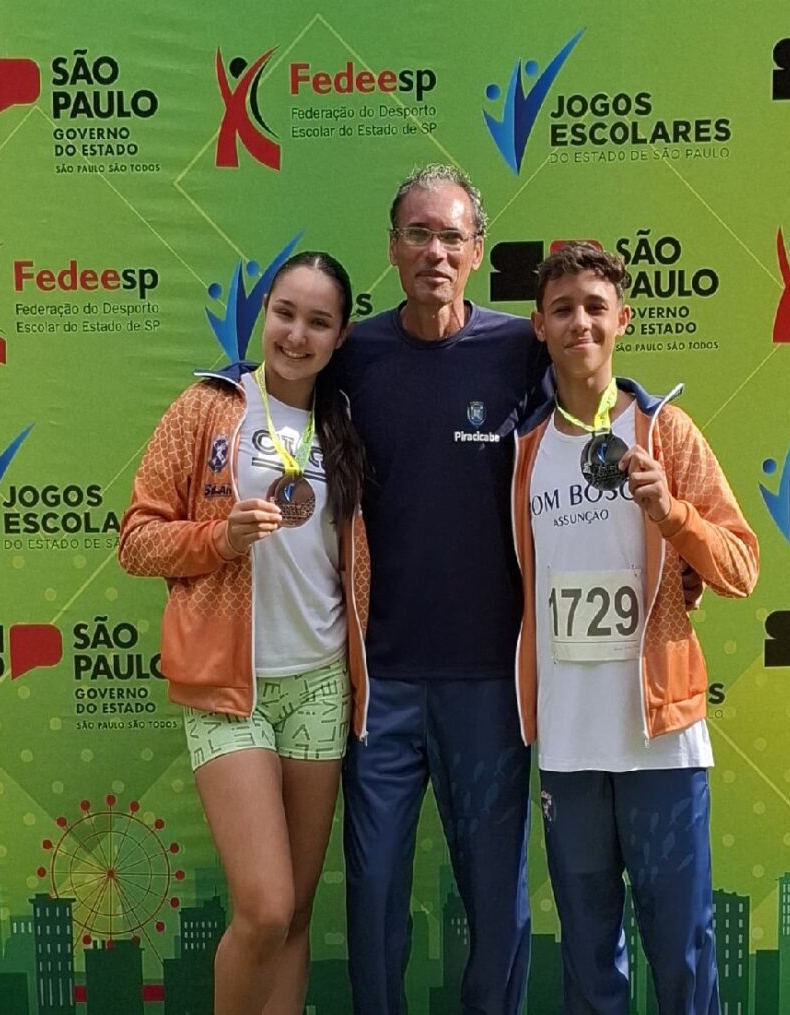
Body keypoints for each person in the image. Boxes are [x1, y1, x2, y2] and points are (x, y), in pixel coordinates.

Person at [511, 242, 760, 1015]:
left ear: (622, 319)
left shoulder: (666, 432)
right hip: (571, 744)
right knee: (589, 959)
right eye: (562, 308)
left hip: (661, 739)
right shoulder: (522, 450)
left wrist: (671, 512)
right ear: (539, 326)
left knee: (681, 951)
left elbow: (740, 567)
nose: (579, 321)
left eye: (594, 306)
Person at [118, 251, 367, 1015]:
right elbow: (135, 539)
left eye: (319, 321)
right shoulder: (208, 405)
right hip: (231, 688)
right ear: (264, 313)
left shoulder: (347, 422)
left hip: (321, 681)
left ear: (339, 335)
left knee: (293, 915)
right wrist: (217, 540)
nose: (297, 333)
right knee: (262, 905)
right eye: (286, 312)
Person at [336, 164, 548, 1014]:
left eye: (451, 236)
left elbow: (594, 436)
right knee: (374, 889)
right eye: (418, 233)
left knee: (498, 902)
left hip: (491, 683)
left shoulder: (520, 353)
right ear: (392, 248)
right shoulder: (352, 356)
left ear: (477, 252)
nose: (434, 250)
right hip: (378, 680)